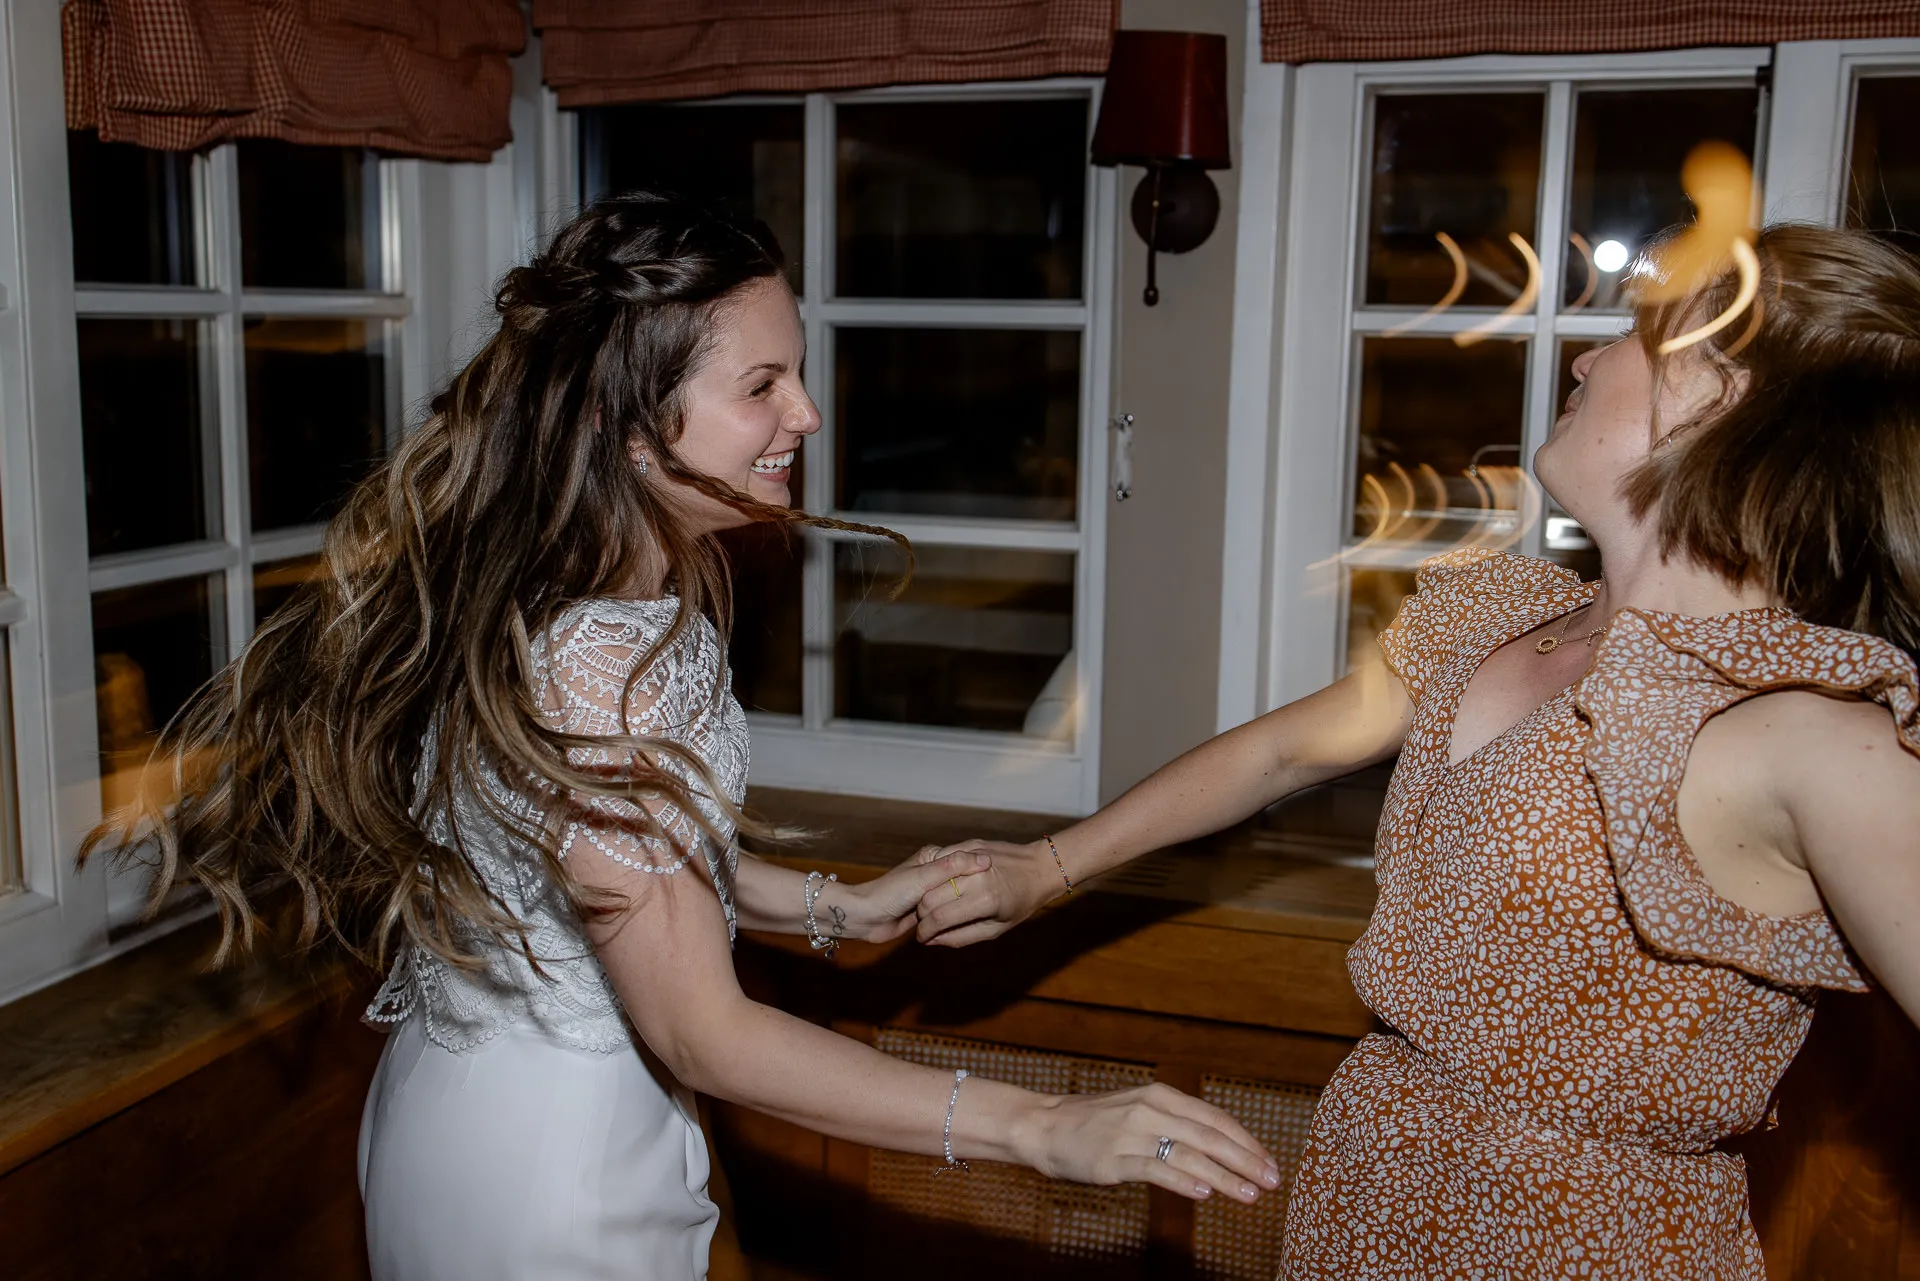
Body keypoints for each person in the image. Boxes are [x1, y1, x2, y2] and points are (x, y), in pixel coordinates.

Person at [85, 192, 1279, 1281]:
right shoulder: (595, 667)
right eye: (762, 385)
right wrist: (1042, 1125)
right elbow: (699, 1027)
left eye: (797, 373)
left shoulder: (604, 586)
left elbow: (623, 863)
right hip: (546, 1173)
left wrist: (833, 906)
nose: (806, 413)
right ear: (626, 425)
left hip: (532, 1111)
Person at [912, 223, 1920, 1278]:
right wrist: (1045, 869)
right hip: (1371, 1184)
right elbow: (1279, 757)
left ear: (1722, 398)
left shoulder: (1801, 727)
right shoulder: (1494, 621)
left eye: (1636, 334)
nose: (1586, 361)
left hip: (1574, 1242)